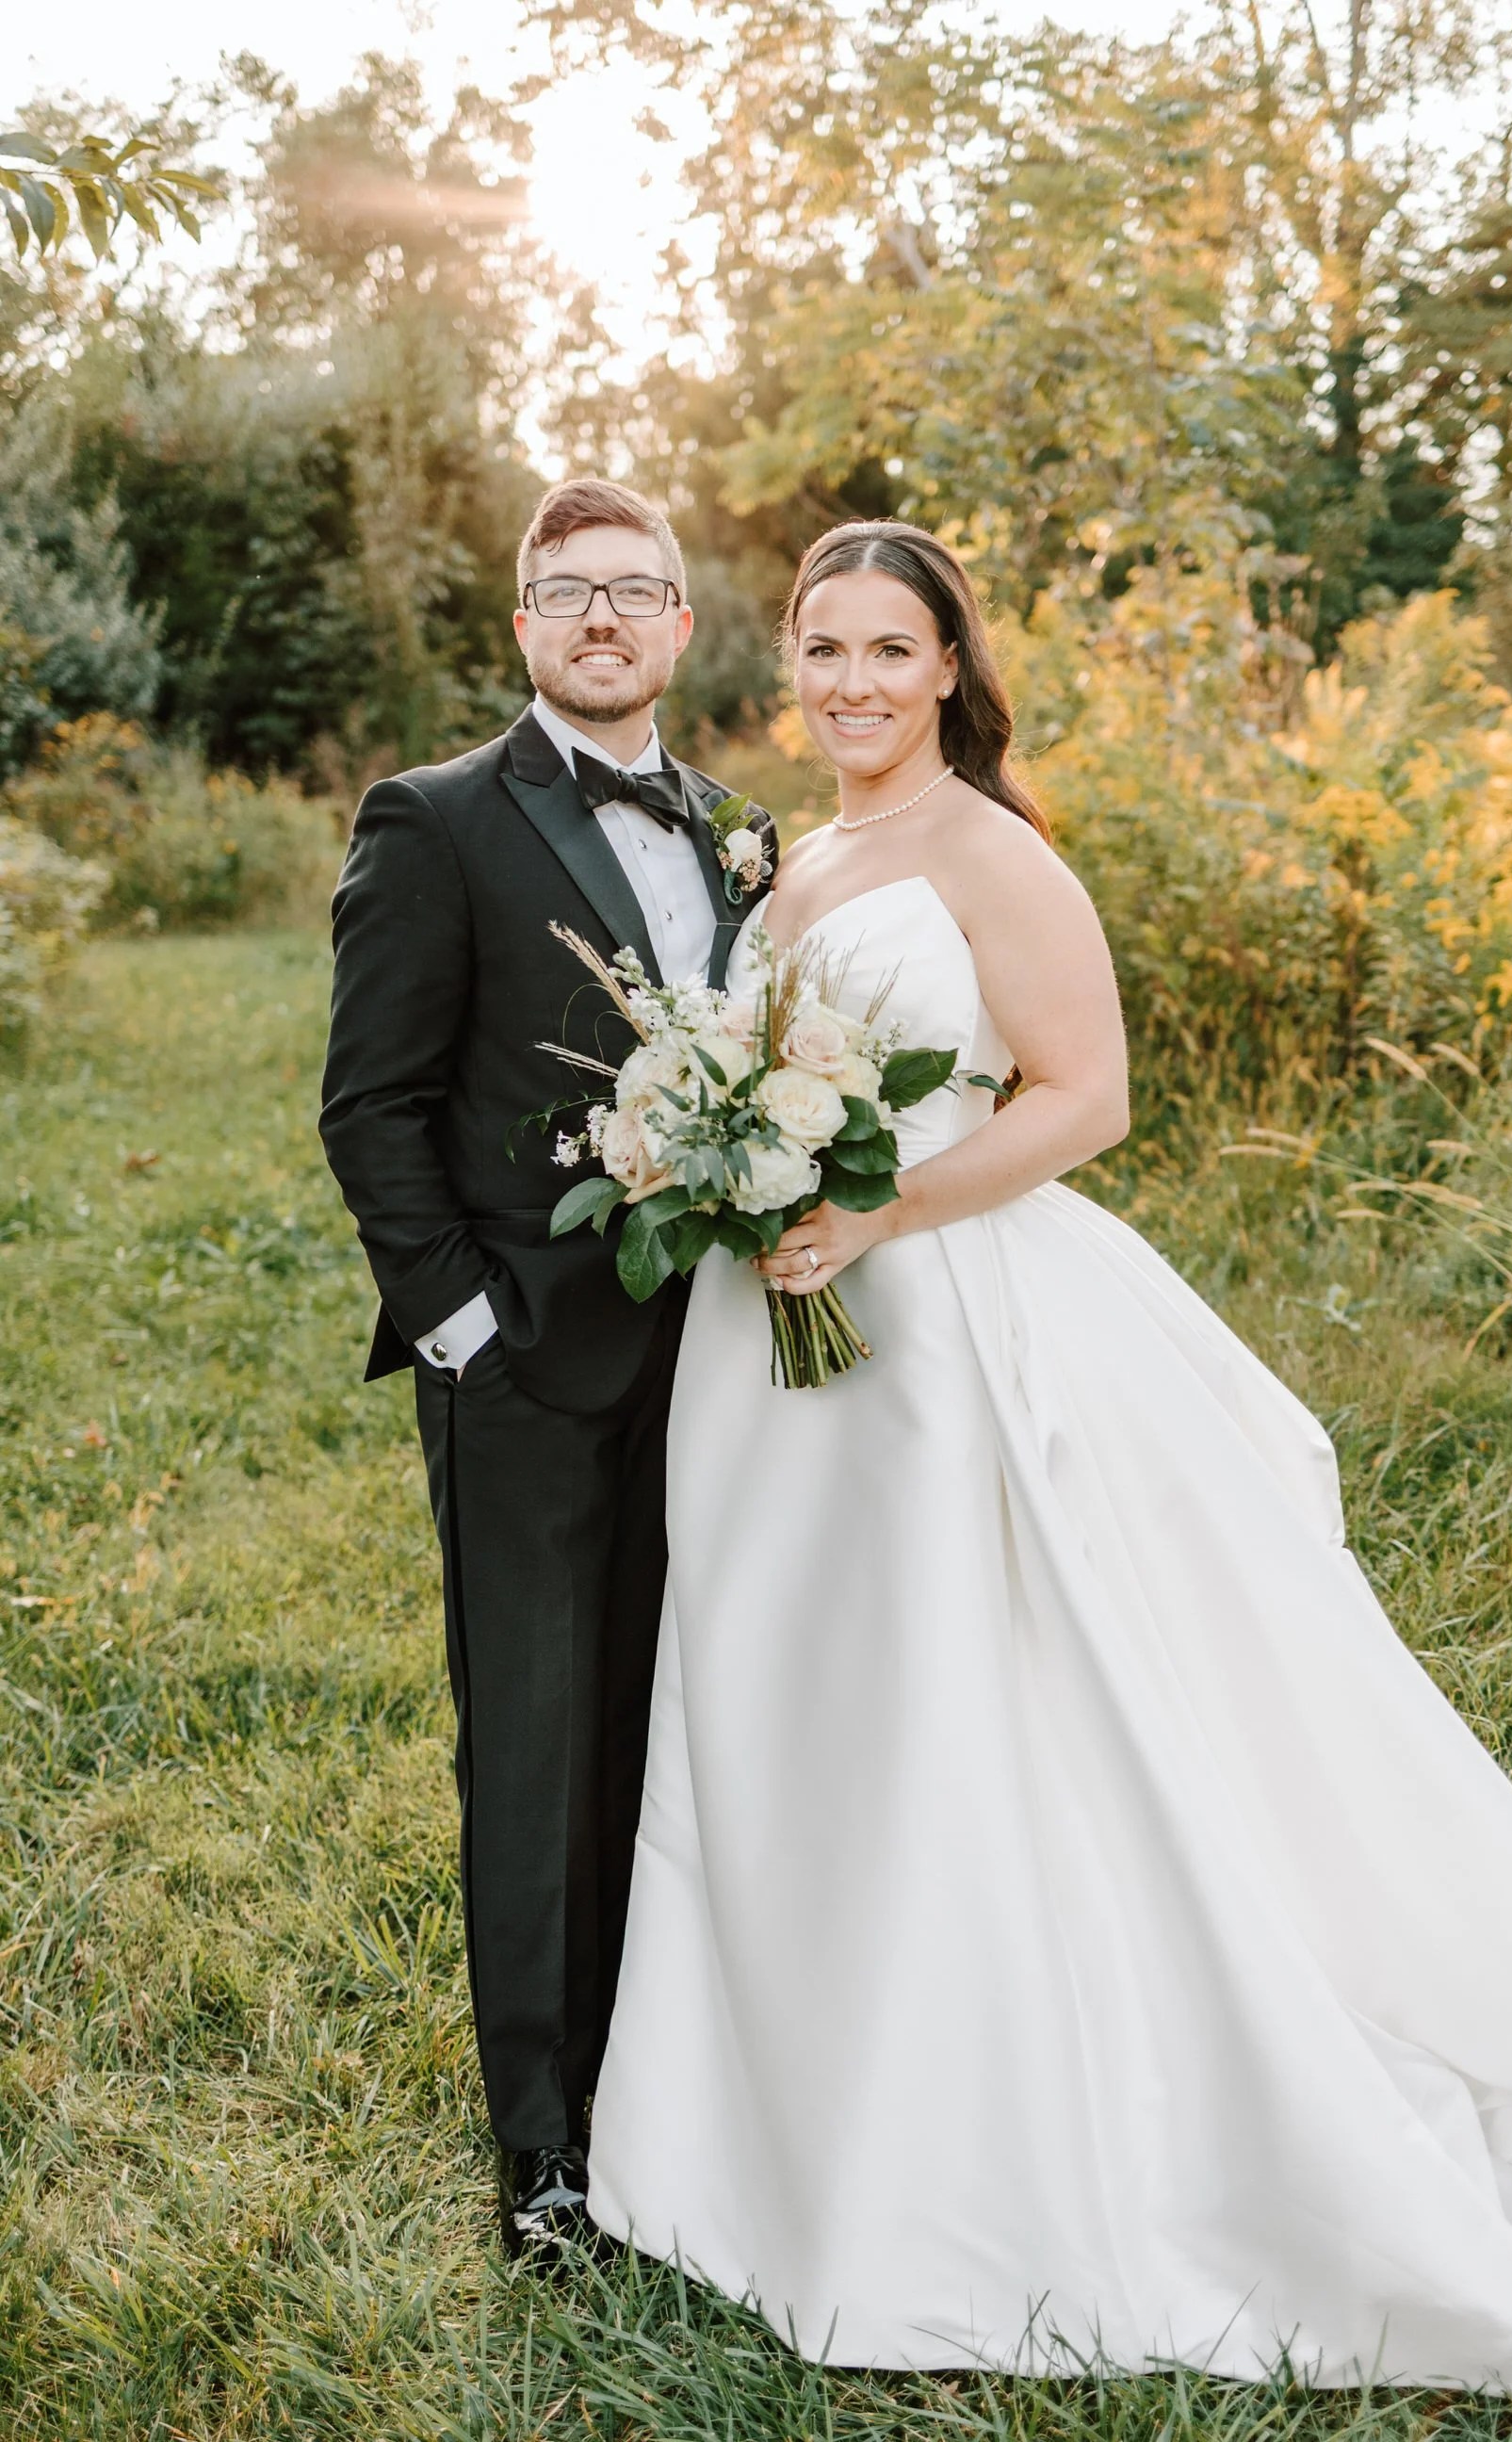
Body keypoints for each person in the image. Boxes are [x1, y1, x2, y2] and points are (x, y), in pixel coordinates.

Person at [585, 517, 1512, 2394]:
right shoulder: (801, 852)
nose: (848, 683)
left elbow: (1089, 1100)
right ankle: (793, 2108)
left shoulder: (992, 850)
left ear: (949, 669)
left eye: (888, 652)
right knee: (795, 1704)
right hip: (769, 1352)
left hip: (946, 1333)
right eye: (821, 648)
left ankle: (995, 2140)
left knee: (971, 1705)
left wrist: (875, 1213)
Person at [319, 478, 776, 2260]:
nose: (601, 619)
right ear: (522, 628)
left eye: (634, 591)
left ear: (680, 627)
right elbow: (369, 1104)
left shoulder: (745, 832)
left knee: (687, 1730)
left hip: (729, 1368)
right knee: (534, 1749)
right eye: (564, 593)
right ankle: (548, 2157)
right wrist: (463, 1334)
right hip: (523, 1369)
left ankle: (690, 2096)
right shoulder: (434, 820)